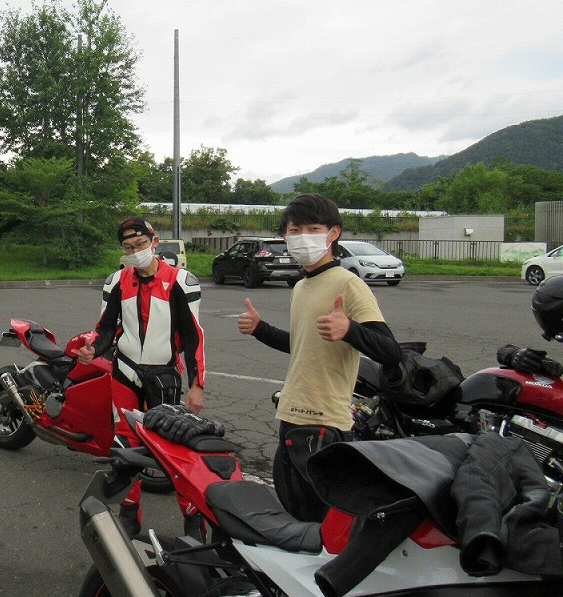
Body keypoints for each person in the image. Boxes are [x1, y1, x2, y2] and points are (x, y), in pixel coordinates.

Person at [237, 193, 402, 522]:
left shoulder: (348, 284)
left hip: (325, 422)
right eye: (294, 230)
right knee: (295, 514)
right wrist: (260, 329)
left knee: (321, 524)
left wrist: (350, 329)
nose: (302, 237)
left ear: (333, 233)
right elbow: (301, 345)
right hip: (291, 413)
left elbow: (390, 351)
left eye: (313, 229)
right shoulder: (302, 286)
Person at [77, 217, 206, 535]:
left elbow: (193, 337)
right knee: (124, 446)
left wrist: (197, 385)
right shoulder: (117, 281)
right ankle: (129, 513)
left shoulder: (181, 281)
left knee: (172, 449)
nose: (135, 252)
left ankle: (192, 519)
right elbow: (106, 328)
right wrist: (93, 349)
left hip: (164, 376)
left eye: (140, 245)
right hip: (125, 372)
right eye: (128, 247)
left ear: (155, 242)